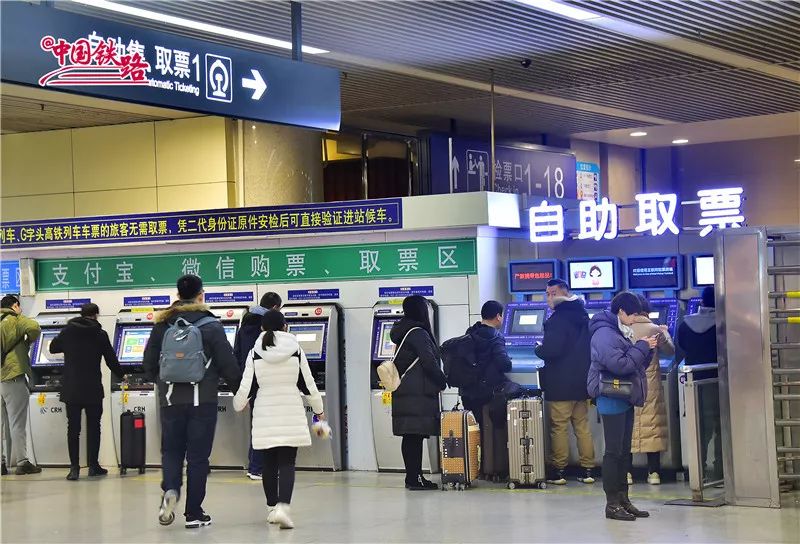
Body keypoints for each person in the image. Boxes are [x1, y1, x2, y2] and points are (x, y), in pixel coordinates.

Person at [143, 274, 242, 529]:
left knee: (171, 451)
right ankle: (194, 513)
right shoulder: (212, 325)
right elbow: (229, 365)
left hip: (170, 400)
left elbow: (148, 364)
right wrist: (240, 393)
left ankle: (171, 490)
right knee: (198, 458)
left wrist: (163, 383)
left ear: (177, 295)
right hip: (203, 400)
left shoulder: (162, 324)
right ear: (201, 295)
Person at [233, 309, 324, 530]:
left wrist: (238, 403)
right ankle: (283, 507)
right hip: (290, 409)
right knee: (287, 463)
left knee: (269, 464)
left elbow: (247, 385)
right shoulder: (295, 349)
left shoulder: (255, 351)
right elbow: (307, 383)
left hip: (265, 411)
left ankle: (272, 508)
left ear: (262, 328)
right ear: (285, 327)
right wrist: (319, 409)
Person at [587, 291, 658, 521]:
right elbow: (620, 365)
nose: (635, 319)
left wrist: (647, 349)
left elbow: (634, 365)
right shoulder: (604, 334)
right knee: (613, 452)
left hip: (624, 397)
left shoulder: (620, 330)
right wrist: (641, 346)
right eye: (633, 315)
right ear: (621, 311)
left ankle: (623, 500)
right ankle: (612, 504)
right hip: (611, 398)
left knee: (624, 452)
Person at [49, 303, 126, 481]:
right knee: (94, 427)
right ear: (96, 315)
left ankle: (74, 468)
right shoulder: (99, 334)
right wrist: (122, 375)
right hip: (92, 387)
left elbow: (53, 348)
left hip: (72, 387)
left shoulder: (68, 331)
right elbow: (110, 359)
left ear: (81, 314)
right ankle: (93, 466)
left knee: (73, 429)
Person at [535, 278, 595, 485]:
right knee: (582, 426)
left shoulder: (557, 319)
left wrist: (538, 349)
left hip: (560, 383)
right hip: (582, 382)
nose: (549, 298)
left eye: (553, 293)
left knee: (559, 427)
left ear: (564, 293)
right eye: (547, 294)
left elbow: (552, 350)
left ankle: (559, 471)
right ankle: (588, 470)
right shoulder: (583, 315)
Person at [390, 295, 447, 491]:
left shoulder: (403, 330)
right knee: (414, 437)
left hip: (405, 390)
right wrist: (442, 381)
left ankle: (413, 477)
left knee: (410, 436)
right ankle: (414, 479)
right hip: (416, 393)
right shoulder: (418, 333)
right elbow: (429, 362)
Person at [233, 292, 283, 481]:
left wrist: (241, 385)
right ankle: (257, 468)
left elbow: (237, 354)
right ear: (275, 308)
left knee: (258, 423)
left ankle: (255, 464)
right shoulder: (267, 326)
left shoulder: (244, 324)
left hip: (250, 380)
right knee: (266, 425)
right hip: (266, 382)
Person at [629, 295, 675, 486]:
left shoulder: (622, 328)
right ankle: (654, 472)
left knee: (627, 426)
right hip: (650, 385)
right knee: (653, 425)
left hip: (628, 383)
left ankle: (627, 473)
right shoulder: (654, 329)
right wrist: (666, 332)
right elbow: (670, 351)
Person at [677, 286, 722, 480]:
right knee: (722, 428)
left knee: (700, 428)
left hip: (692, 383)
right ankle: (720, 472)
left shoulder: (685, 324)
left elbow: (682, 347)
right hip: (719, 381)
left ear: (702, 302)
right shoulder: (723, 324)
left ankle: (699, 471)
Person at [0, 294, 41, 476]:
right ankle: (22, 462)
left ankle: (1, 463)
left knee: (1, 424)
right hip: (13, 376)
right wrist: (27, 341)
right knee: (17, 422)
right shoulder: (15, 320)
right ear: (15, 305)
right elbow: (34, 327)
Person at [460, 300, 512, 425]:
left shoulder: (470, 332)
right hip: (487, 393)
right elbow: (505, 365)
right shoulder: (496, 336)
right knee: (489, 429)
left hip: (467, 391)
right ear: (498, 316)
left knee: (473, 428)